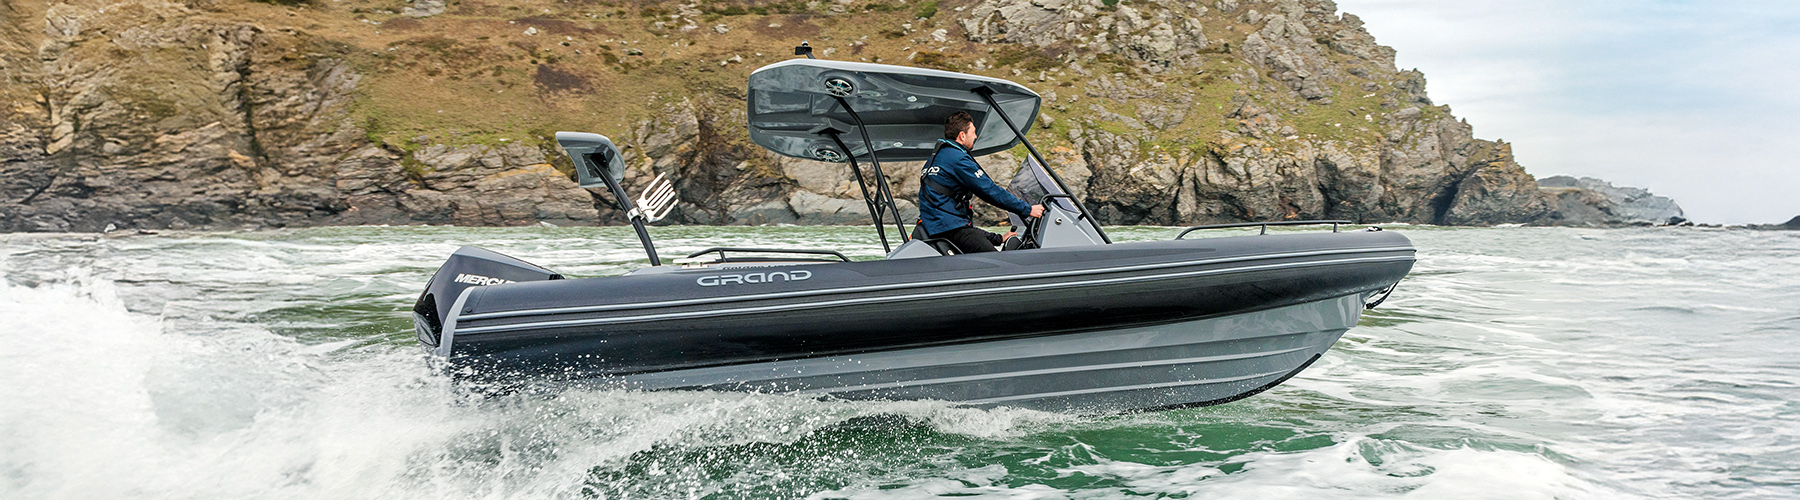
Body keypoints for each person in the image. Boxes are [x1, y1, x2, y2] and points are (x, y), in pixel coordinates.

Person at [915, 111, 1045, 253]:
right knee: (998, 262)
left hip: (939, 228)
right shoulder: (958, 159)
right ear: (962, 135)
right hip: (949, 230)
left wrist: (998, 238)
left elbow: (953, 219)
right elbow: (989, 191)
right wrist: (1028, 209)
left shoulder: (938, 157)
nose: (976, 137)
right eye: (974, 132)